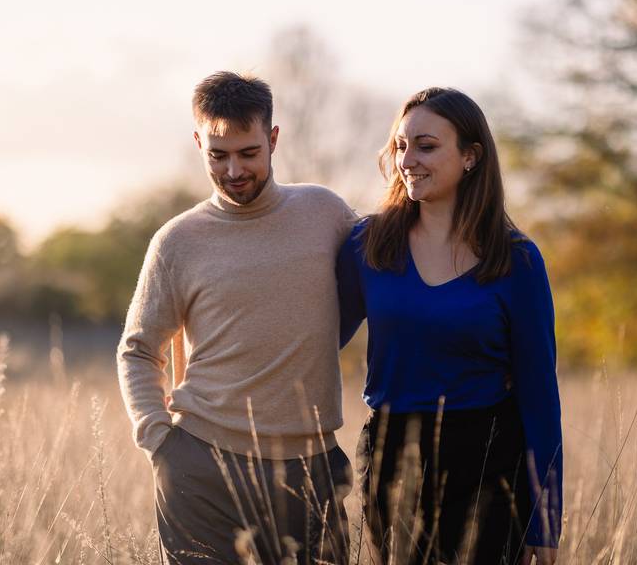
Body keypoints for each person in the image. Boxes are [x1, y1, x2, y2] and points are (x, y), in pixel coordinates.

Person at [117, 71, 356, 565]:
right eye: (217, 155)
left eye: (248, 153)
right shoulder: (176, 241)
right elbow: (138, 349)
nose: (233, 171)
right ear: (198, 142)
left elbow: (384, 280)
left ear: (272, 139)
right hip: (202, 468)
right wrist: (160, 442)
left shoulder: (326, 214)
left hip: (310, 468)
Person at [336, 87, 563, 565]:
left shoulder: (515, 260)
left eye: (426, 145)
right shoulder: (368, 246)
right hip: (392, 456)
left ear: (470, 156)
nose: (408, 159)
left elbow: (540, 394)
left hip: (489, 459)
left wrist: (546, 519)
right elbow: (318, 340)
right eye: (400, 145)